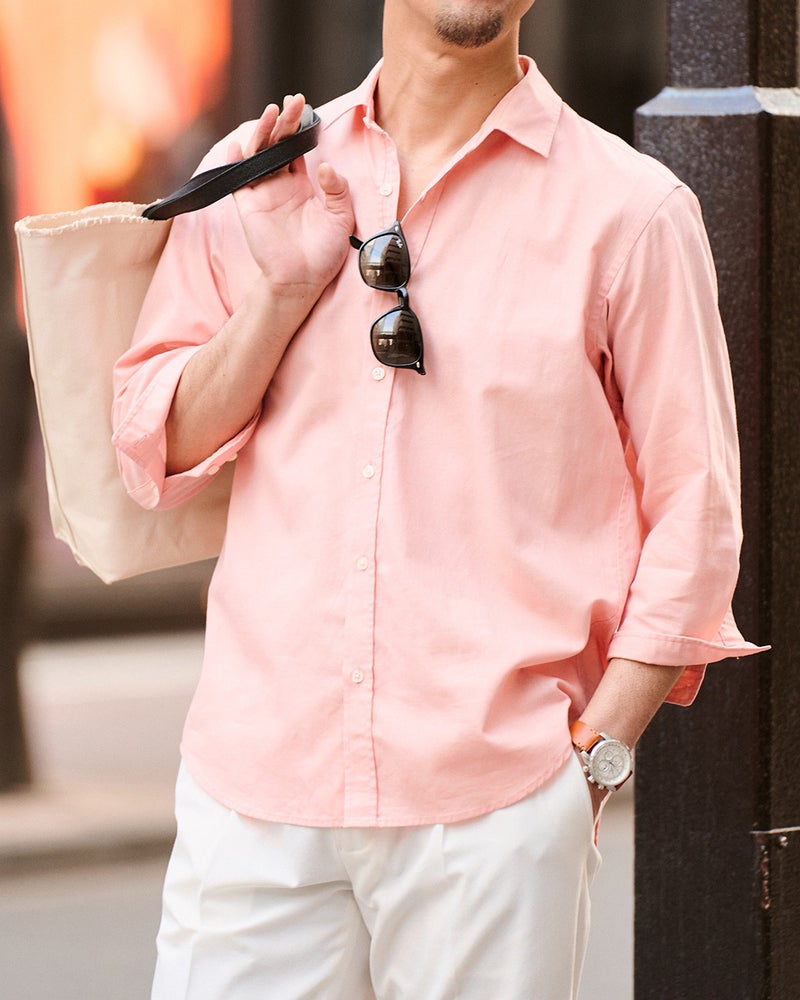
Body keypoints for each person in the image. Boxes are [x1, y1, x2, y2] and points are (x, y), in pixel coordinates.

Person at [112, 2, 764, 997]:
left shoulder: (630, 213)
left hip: (497, 802)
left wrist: (593, 758)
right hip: (254, 788)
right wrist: (280, 295)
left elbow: (696, 515)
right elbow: (156, 442)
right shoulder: (261, 173)